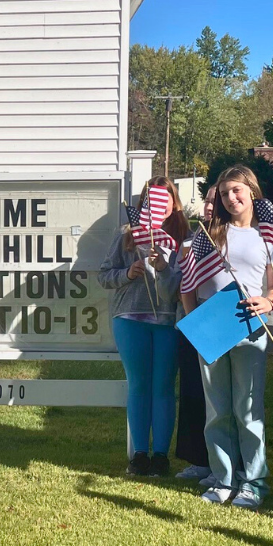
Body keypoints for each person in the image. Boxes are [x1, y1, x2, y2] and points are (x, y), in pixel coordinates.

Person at [180, 164, 273, 509]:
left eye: (237, 190)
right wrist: (195, 318)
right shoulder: (208, 232)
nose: (231, 198)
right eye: (224, 193)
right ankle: (223, 478)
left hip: (250, 325)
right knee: (218, 409)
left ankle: (253, 482)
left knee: (248, 409)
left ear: (252, 191)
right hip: (212, 322)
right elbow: (189, 282)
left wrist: (268, 301)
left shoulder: (268, 235)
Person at [97, 178, 188, 477]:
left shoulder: (183, 239)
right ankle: (139, 454)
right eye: (151, 199)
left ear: (173, 204)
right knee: (138, 384)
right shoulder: (126, 235)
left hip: (167, 320)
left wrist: (162, 269)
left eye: (165, 199)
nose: (157, 205)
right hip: (129, 317)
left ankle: (160, 455)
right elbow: (104, 275)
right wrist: (128, 272)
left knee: (163, 387)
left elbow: (179, 287)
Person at [175, 185, 215, 483]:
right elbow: (184, 285)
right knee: (193, 394)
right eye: (209, 201)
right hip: (195, 321)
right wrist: (193, 323)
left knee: (225, 399)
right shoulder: (191, 242)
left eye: (218, 201)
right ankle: (199, 460)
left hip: (231, 321)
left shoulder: (248, 237)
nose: (212, 206)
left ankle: (231, 464)